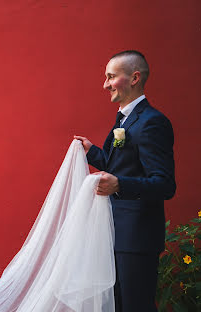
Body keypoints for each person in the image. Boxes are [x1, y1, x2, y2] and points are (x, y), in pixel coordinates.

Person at [75, 50, 176, 311]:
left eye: (111, 77)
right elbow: (123, 165)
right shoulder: (126, 118)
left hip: (137, 238)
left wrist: (119, 184)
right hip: (114, 232)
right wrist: (92, 152)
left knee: (135, 306)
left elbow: (164, 184)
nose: (105, 84)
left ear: (134, 78)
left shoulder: (152, 122)